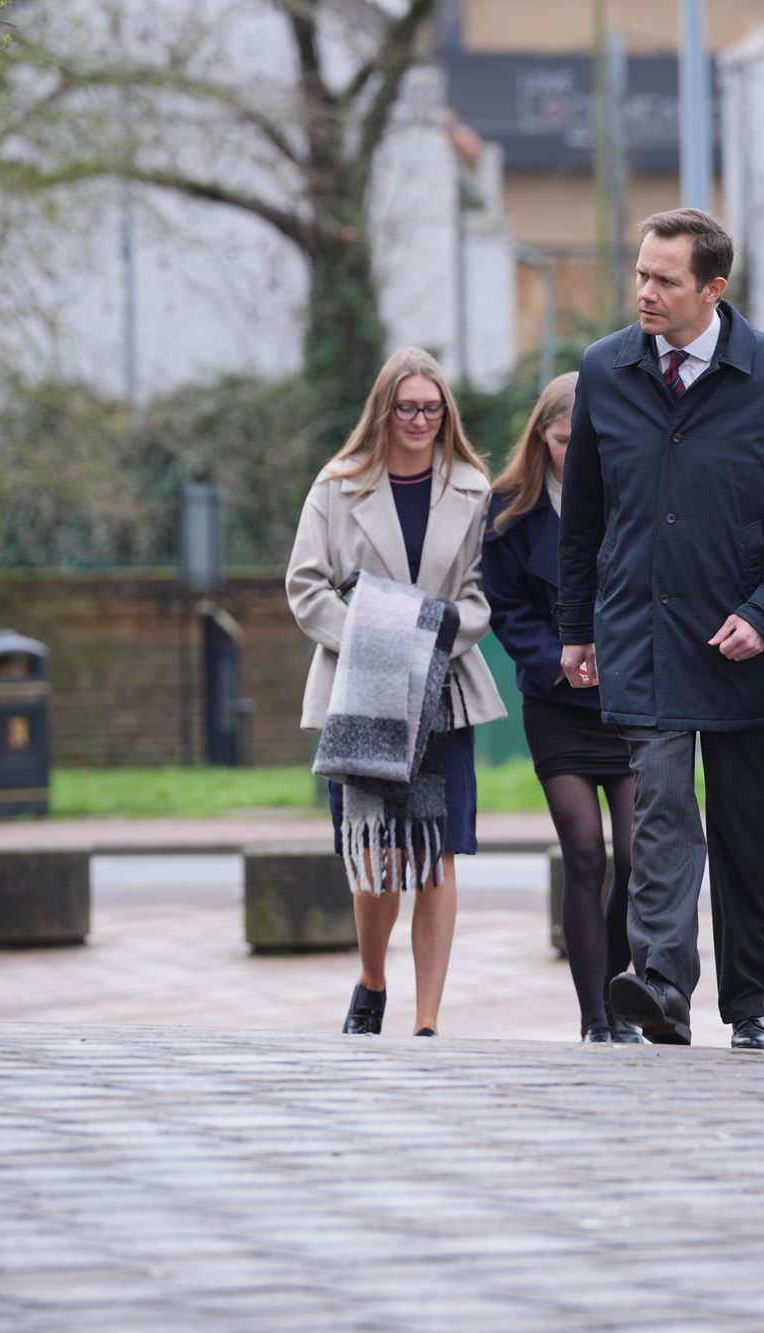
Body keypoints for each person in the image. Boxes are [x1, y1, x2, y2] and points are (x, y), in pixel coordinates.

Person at [558, 207, 764, 1051]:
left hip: (742, 643)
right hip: (643, 636)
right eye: (641, 274)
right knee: (663, 813)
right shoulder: (604, 370)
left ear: (713, 288)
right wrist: (579, 627)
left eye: (665, 280)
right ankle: (662, 989)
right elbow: (585, 517)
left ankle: (750, 1005)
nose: (644, 291)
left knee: (746, 828)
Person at [286, 347, 507, 1039]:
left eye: (432, 407)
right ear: (385, 409)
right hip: (361, 690)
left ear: (447, 413)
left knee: (436, 854)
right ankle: (373, 978)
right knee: (379, 854)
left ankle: (428, 1020)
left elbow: (479, 597)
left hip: (443, 690)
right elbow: (305, 585)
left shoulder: (473, 488)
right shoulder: (337, 486)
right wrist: (373, 633)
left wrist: (428, 634)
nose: (419, 419)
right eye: (407, 406)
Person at [483, 372, 641, 1044]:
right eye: (562, 440)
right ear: (540, 437)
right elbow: (507, 609)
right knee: (583, 850)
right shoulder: (508, 510)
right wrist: (557, 658)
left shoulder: (633, 497)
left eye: (588, 442)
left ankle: (619, 989)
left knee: (638, 854)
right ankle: (595, 1018)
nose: (575, 455)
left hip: (630, 697)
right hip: (556, 701)